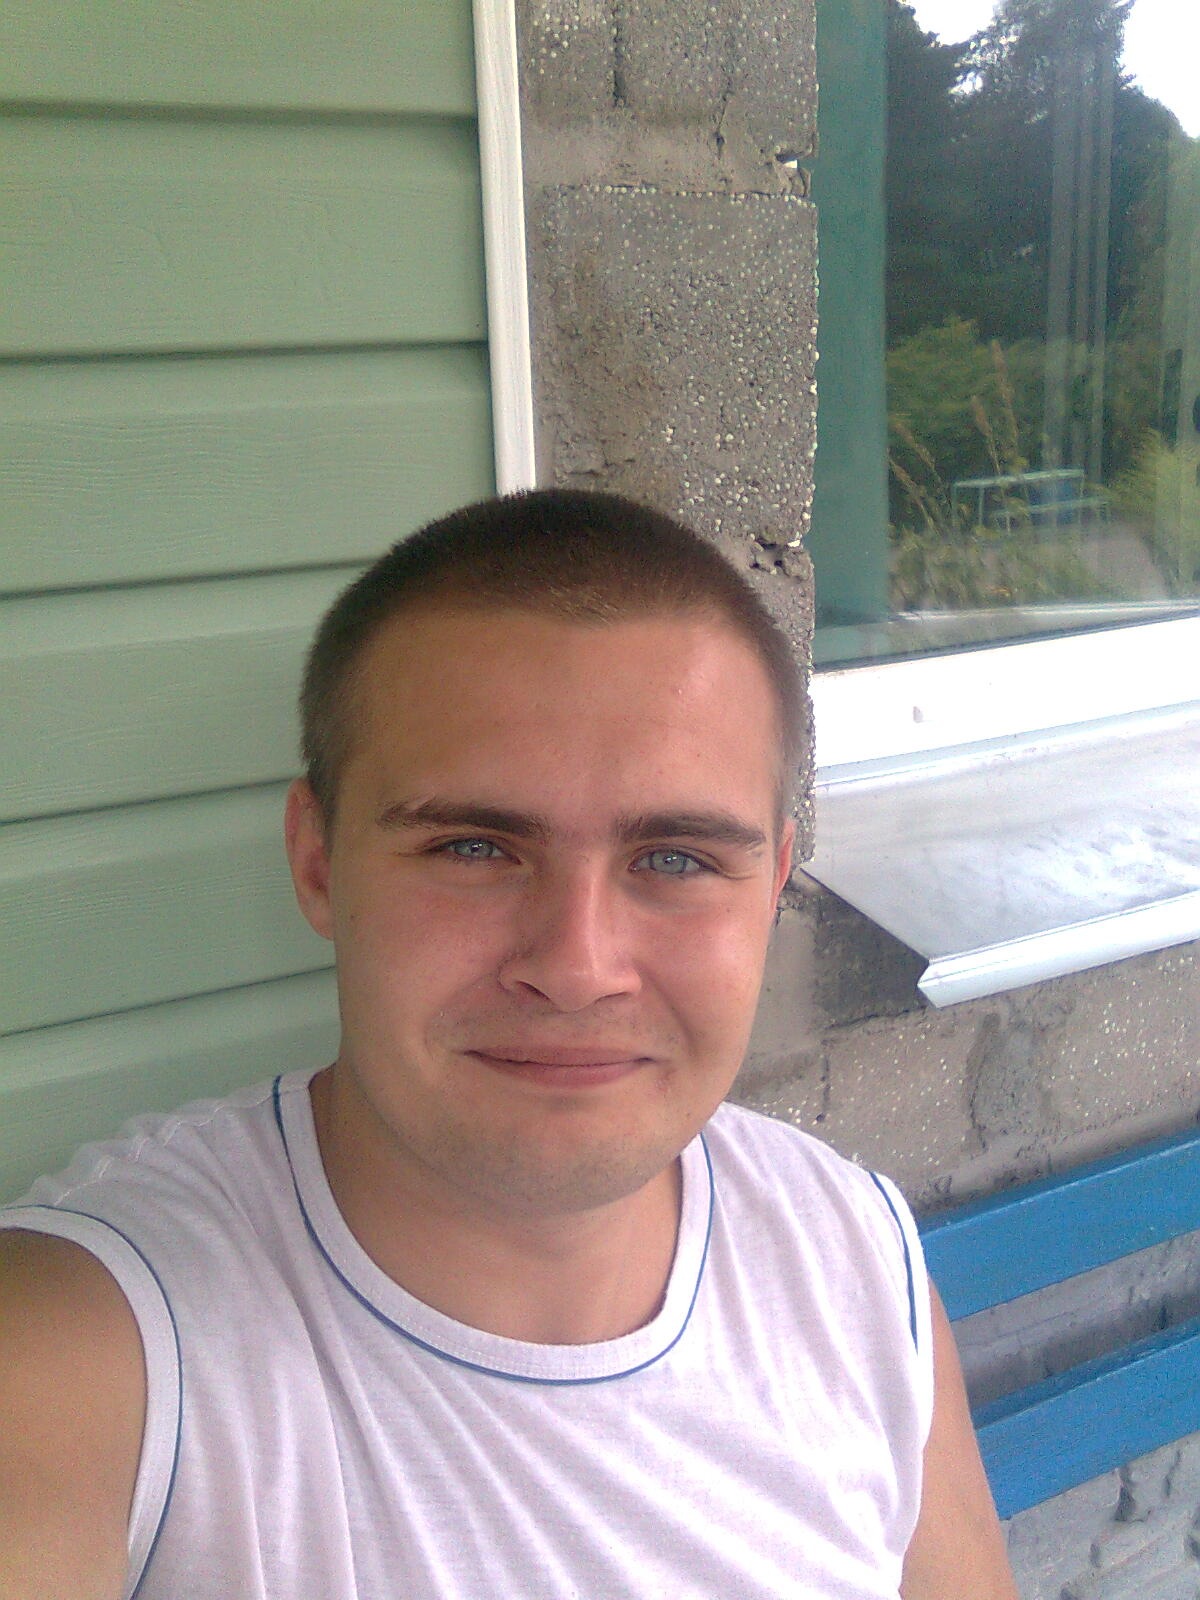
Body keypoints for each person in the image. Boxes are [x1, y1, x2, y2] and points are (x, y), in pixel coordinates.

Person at [0, 489, 1017, 1599]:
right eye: (474, 847)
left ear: (771, 886)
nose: (576, 967)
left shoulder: (852, 1256)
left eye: (675, 859)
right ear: (318, 864)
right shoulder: (83, 1347)